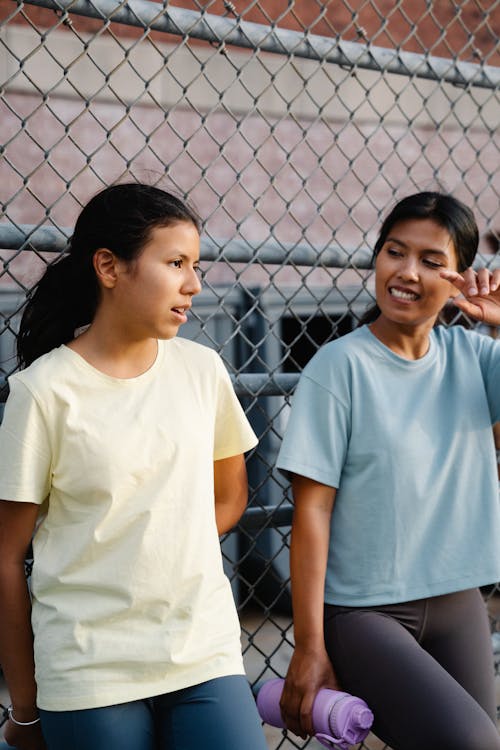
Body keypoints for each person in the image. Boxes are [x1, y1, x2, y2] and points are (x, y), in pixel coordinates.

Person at [0, 183, 268, 750]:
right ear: (108, 267)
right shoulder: (43, 392)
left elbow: (230, 495)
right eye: (175, 263)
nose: (194, 284)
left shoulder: (203, 370)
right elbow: (4, 554)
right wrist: (25, 710)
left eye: (195, 265)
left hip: (202, 652)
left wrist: (161, 544)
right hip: (90, 669)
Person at [276, 191, 500, 750]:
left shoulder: (473, 358)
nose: (405, 272)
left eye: (430, 260)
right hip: (362, 611)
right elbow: (312, 511)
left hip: (459, 598)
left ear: (460, 277)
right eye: (394, 251)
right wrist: (309, 646)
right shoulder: (338, 367)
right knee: (472, 743)